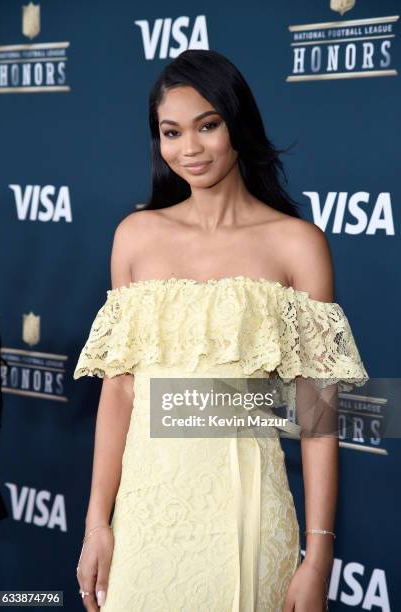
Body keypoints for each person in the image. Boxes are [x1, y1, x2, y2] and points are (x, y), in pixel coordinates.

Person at [73, 49, 368, 612]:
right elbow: (121, 390)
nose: (190, 148)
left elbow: (317, 410)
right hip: (144, 515)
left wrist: (319, 555)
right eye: (171, 131)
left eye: (207, 125)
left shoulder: (296, 244)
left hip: (247, 513)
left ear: (237, 124)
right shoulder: (135, 237)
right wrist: (98, 524)